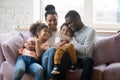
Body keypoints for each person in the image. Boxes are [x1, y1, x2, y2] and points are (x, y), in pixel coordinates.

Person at [63, 10, 96, 80]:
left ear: (77, 18)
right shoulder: (71, 32)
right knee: (63, 57)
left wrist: (71, 40)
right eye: (67, 24)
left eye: (70, 23)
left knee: (89, 60)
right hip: (71, 60)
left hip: (83, 61)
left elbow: (85, 50)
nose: (69, 26)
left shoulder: (90, 31)